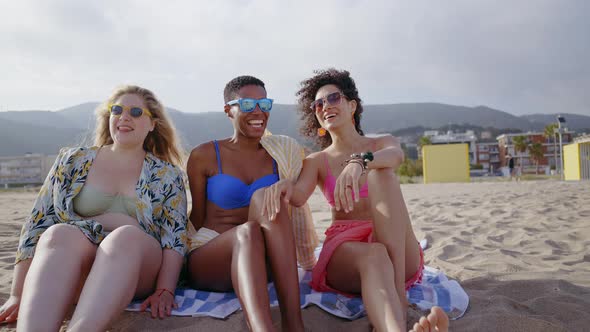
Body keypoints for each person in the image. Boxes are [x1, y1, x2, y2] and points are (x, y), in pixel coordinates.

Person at [262, 69, 448, 332]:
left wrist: (361, 161)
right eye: (318, 104)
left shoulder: (382, 143)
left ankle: (397, 291)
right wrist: (284, 185)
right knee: (375, 254)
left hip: (398, 251)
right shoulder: (316, 161)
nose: (325, 106)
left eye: (333, 98)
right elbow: (297, 196)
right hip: (349, 252)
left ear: (352, 106)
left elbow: (396, 157)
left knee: (381, 177)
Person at [0, 85, 188, 331]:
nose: (124, 116)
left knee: (125, 236)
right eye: (117, 109)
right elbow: (38, 221)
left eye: (135, 112)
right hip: (77, 269)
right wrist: (17, 293)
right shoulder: (73, 160)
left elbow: (175, 237)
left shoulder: (167, 174)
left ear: (153, 124)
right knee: (58, 233)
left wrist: (165, 289)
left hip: (137, 268)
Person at [185, 75, 307, 332]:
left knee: (266, 196)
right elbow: (196, 217)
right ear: (229, 110)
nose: (259, 111)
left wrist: (359, 161)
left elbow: (316, 172)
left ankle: (294, 325)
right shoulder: (204, 155)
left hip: (266, 260)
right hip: (213, 258)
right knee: (247, 231)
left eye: (265, 104)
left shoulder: (282, 153)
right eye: (249, 104)